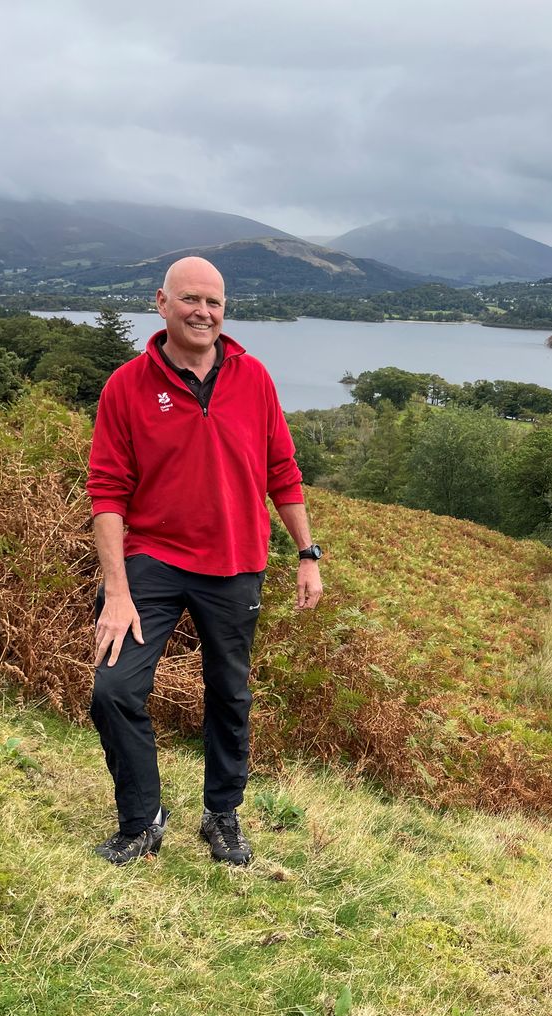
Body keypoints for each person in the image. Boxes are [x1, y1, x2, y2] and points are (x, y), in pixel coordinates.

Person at [86, 256, 323, 866]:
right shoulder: (125, 386)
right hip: (152, 560)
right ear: (160, 303)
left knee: (229, 692)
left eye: (214, 302)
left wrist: (306, 553)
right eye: (190, 299)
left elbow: (282, 471)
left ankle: (222, 815)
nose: (203, 312)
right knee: (114, 688)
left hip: (237, 561)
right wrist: (116, 591)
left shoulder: (255, 378)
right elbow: (107, 491)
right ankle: (142, 821)